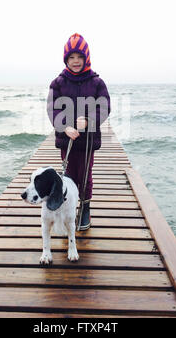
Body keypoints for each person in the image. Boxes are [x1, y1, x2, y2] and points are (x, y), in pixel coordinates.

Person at [47, 33, 111, 230]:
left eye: (79, 57)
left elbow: (104, 106)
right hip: (66, 139)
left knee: (85, 175)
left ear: (86, 58)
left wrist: (90, 121)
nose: (75, 61)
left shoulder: (96, 82)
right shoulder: (58, 82)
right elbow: (52, 108)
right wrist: (64, 126)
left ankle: (84, 207)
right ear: (66, 59)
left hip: (88, 140)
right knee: (68, 174)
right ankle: (69, 206)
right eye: (71, 57)